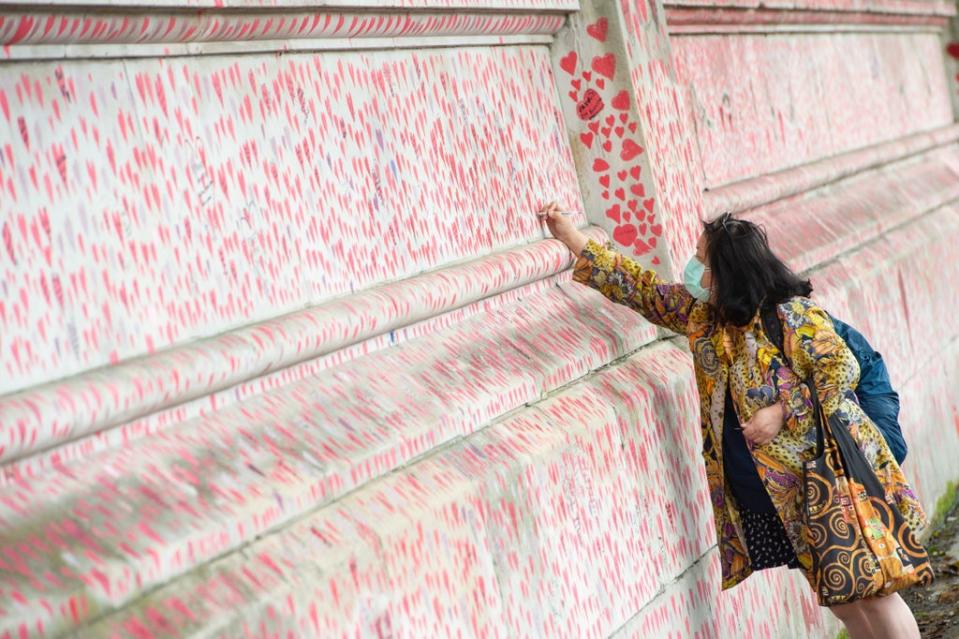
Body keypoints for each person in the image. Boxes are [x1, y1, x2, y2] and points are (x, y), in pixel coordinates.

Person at [536, 202, 929, 639]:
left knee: (875, 591)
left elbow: (840, 371)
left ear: (729, 271)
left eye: (702, 260)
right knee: (842, 597)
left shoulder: (790, 315)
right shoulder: (704, 317)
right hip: (778, 492)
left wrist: (781, 412)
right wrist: (572, 239)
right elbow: (642, 291)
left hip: (830, 479)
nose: (694, 268)